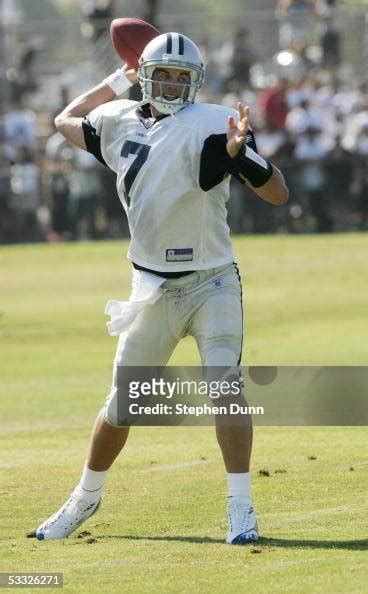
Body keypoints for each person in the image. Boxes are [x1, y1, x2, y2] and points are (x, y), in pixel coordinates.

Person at [28, 32, 288, 545]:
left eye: (180, 76)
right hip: (150, 289)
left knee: (227, 393)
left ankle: (241, 507)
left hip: (211, 281)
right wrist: (116, 78)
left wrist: (242, 157)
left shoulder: (216, 126)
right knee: (122, 405)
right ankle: (85, 497)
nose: (171, 83)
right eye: (162, 74)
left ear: (196, 83)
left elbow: (278, 194)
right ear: (144, 77)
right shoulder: (118, 119)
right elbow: (64, 120)